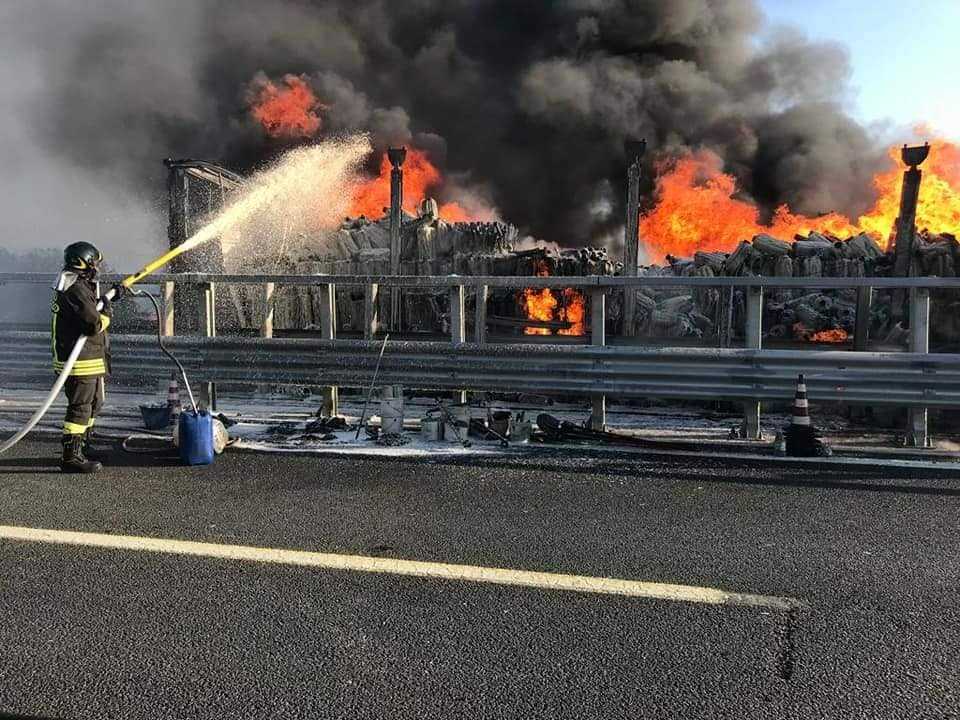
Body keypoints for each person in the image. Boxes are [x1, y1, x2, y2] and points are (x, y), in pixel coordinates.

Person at [51, 242, 124, 473]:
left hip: (89, 357)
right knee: (81, 407)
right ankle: (71, 457)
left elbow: (89, 308)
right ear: (83, 263)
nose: (97, 268)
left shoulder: (78, 284)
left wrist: (109, 298)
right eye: (94, 263)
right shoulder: (75, 289)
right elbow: (93, 325)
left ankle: (83, 446)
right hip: (79, 361)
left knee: (95, 403)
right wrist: (107, 312)